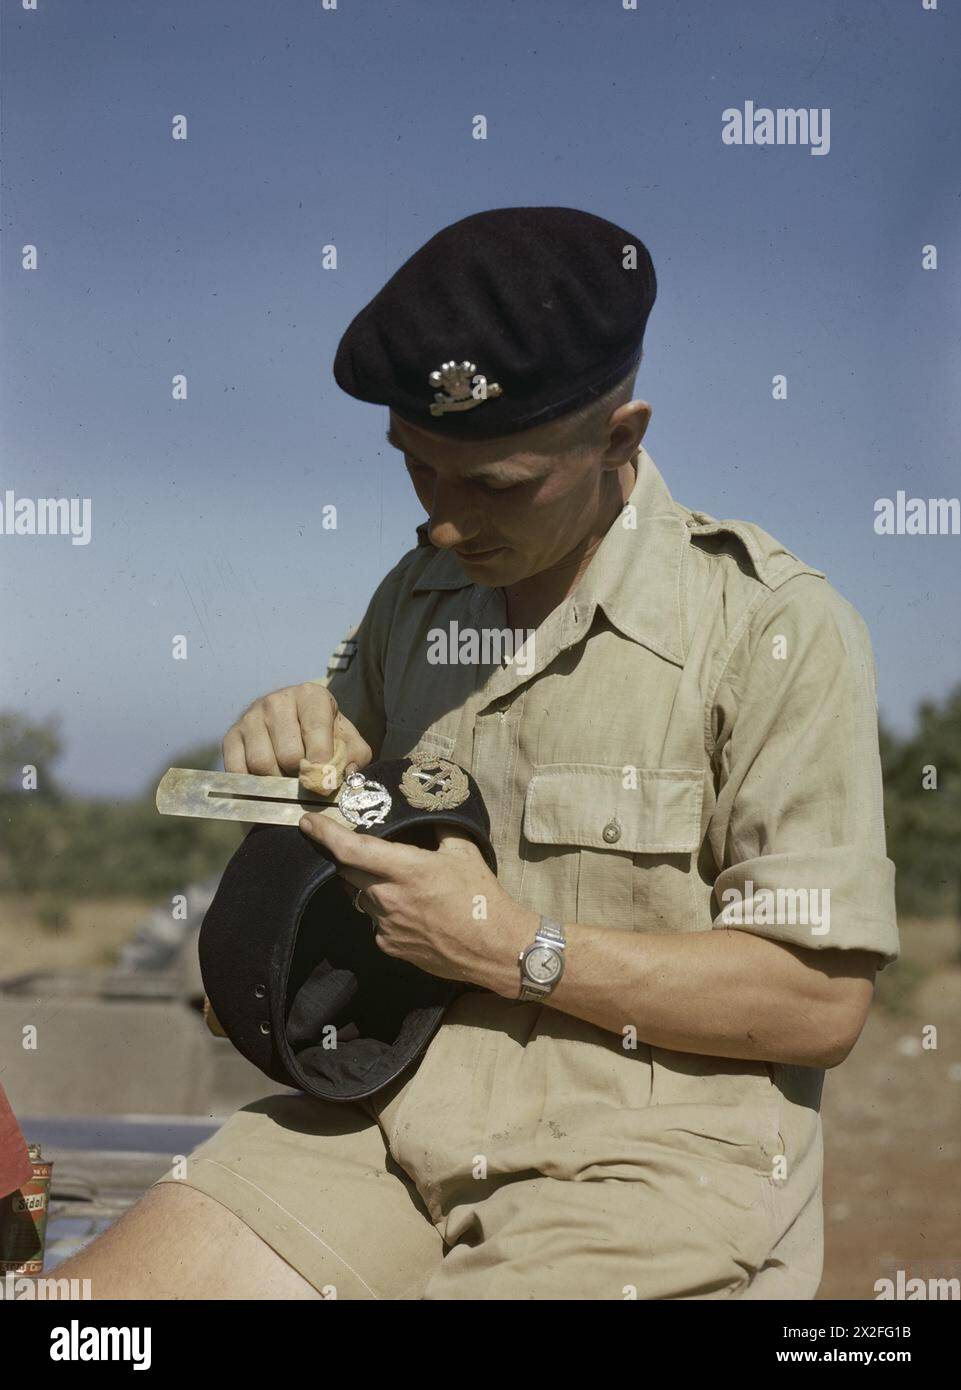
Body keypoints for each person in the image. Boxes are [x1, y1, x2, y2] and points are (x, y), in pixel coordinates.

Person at [59, 207, 898, 1300]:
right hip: (388, 1118)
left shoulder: (775, 631)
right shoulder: (417, 600)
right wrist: (282, 748)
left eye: (493, 485)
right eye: (418, 471)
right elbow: (339, 779)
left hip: (647, 1163)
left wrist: (515, 947)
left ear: (618, 439)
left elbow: (816, 1005)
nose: (444, 524)